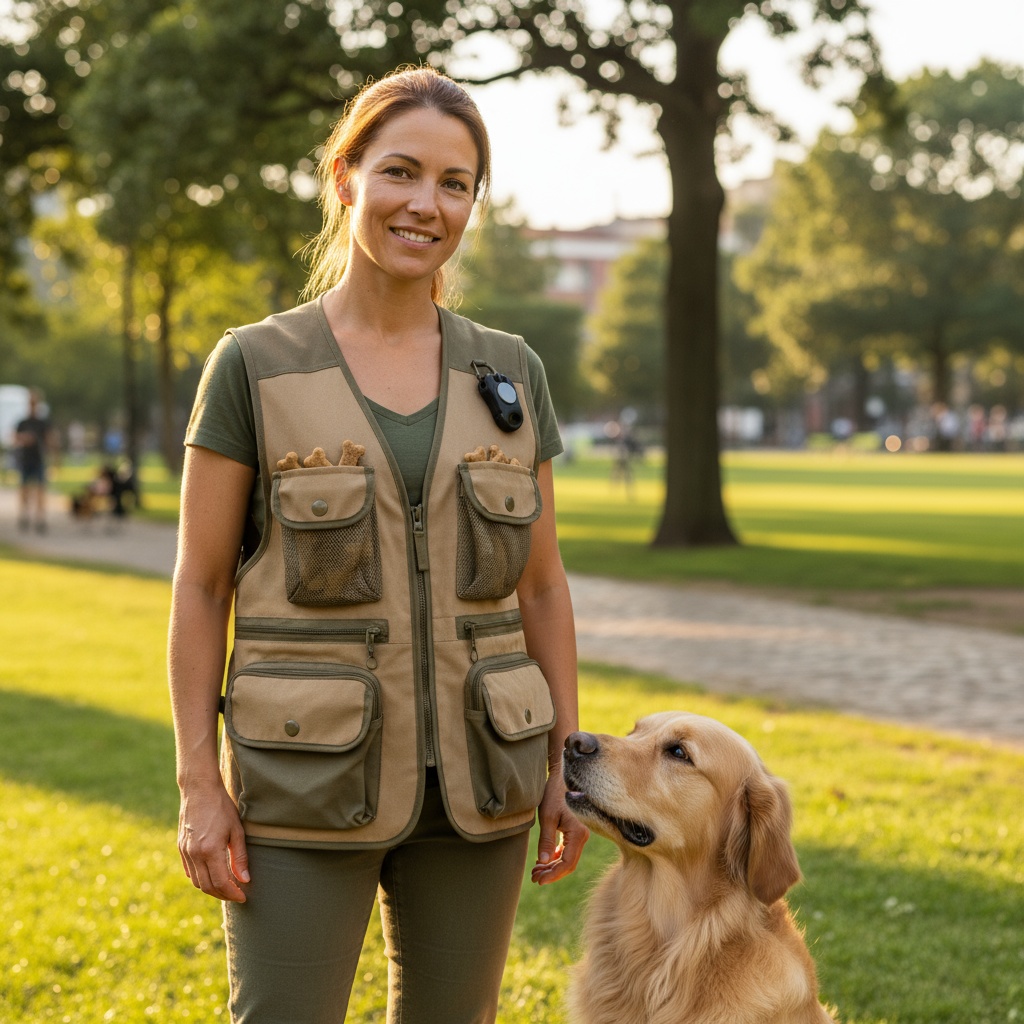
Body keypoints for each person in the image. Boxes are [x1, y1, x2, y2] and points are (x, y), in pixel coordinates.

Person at [168, 66, 589, 1023]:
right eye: (401, 172)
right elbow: (199, 587)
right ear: (346, 176)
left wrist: (567, 760)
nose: (426, 205)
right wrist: (200, 782)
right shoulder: (254, 365)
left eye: (456, 184)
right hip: (302, 783)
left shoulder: (510, 369)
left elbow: (542, 589)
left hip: (485, 786)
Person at [14, 389, 55, 533]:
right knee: (24, 490)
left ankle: (40, 518)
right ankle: (24, 514)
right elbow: (15, 438)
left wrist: (54, 455)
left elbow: (50, 440)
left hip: (38, 459)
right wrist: (24, 439)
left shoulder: (42, 422)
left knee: (40, 490)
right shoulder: (23, 422)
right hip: (25, 459)